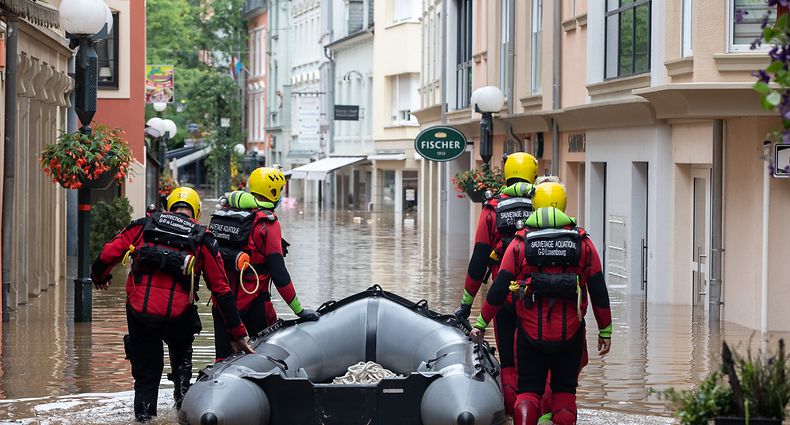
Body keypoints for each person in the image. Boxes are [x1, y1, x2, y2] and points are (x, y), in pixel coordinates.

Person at [91, 187, 254, 423]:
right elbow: (221, 289)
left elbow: (107, 254)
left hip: (140, 312)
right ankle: (183, 410)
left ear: (169, 206)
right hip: (179, 316)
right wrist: (238, 333)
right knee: (181, 370)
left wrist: (100, 277)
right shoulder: (202, 237)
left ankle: (145, 418)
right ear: (195, 211)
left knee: (146, 376)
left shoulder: (143, 226)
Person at [469, 181, 612, 425]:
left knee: (528, 391)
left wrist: (481, 322)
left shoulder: (520, 245)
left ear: (535, 206)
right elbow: (598, 288)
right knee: (564, 393)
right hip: (571, 335)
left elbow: (500, 287)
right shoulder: (583, 244)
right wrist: (605, 330)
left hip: (529, 335)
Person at [453, 152, 538, 416]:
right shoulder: (544, 207)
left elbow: (479, 261)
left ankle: (513, 413)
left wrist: (465, 305)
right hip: (538, 298)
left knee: (510, 363)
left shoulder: (492, 210)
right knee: (540, 360)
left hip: (503, 299)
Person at [209, 166, 319, 361]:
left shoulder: (226, 214)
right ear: (273, 192)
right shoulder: (267, 224)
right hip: (253, 302)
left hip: (222, 302)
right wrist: (299, 310)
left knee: (221, 361)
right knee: (269, 356)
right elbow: (279, 273)